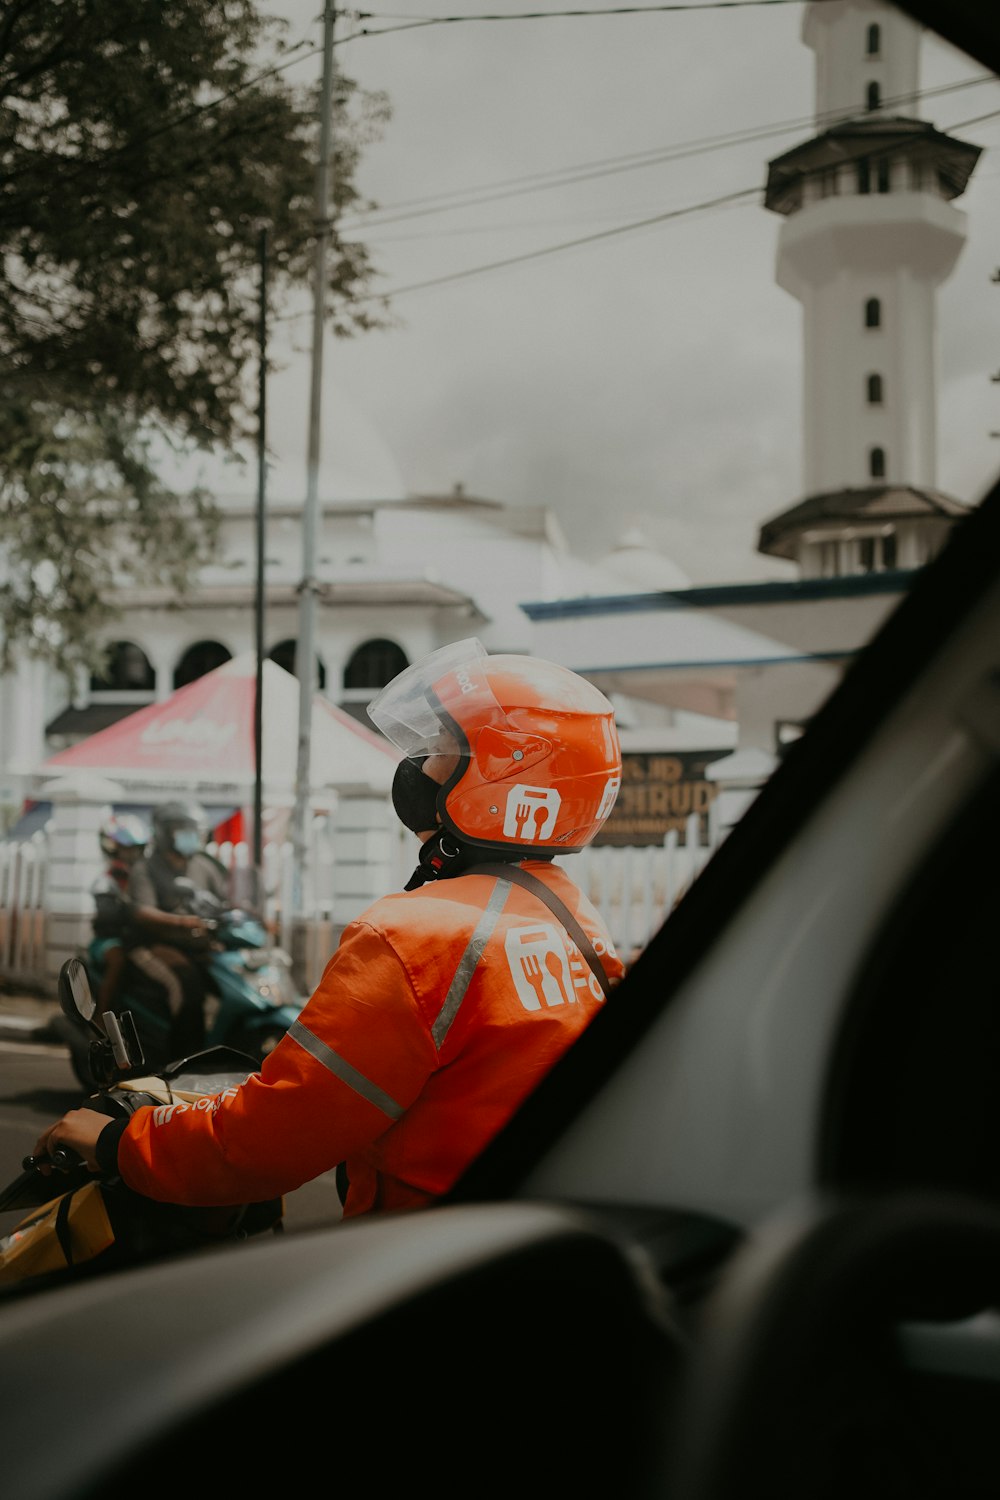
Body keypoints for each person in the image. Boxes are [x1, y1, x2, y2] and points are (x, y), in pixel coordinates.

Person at [35, 639, 626, 1221]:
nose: (420, 765)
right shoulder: (574, 920)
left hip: (412, 1262)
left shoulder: (412, 937)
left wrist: (119, 1141)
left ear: (500, 780)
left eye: (444, 748)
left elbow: (263, 1145)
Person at [122, 800, 231, 1055]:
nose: (189, 835)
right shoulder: (145, 868)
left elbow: (224, 902)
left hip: (195, 946)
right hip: (150, 946)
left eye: (192, 829)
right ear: (164, 832)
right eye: (181, 829)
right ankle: (181, 1057)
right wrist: (182, 921)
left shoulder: (204, 866)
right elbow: (142, 912)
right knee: (187, 988)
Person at [89, 813, 151, 1016]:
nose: (131, 855)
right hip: (108, 940)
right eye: (126, 849)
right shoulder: (106, 881)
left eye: (135, 850)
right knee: (118, 961)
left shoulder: (143, 878)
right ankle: (101, 1017)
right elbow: (108, 916)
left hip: (134, 940)